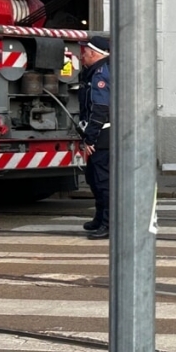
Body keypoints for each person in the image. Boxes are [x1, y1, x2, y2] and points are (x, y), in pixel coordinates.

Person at [78, 36, 111, 239]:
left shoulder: (101, 73)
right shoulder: (96, 71)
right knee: (93, 179)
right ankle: (100, 219)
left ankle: (108, 224)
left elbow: (100, 108)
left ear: (94, 53)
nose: (82, 56)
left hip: (103, 137)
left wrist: (90, 138)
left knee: (102, 181)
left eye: (85, 52)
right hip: (100, 135)